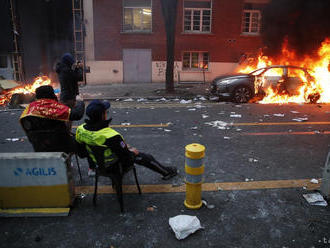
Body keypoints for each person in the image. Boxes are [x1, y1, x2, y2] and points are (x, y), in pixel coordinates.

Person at [75, 100, 177, 179]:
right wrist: (132, 152)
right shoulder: (112, 136)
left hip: (97, 164)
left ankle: (93, 168)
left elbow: (81, 153)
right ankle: (166, 172)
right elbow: (126, 158)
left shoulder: (80, 130)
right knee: (145, 157)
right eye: (106, 111)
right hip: (113, 166)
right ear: (103, 115)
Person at [20, 85, 85, 153]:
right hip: (61, 144)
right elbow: (77, 114)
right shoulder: (53, 106)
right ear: (52, 94)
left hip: (39, 147)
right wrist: (80, 101)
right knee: (85, 143)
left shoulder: (29, 109)